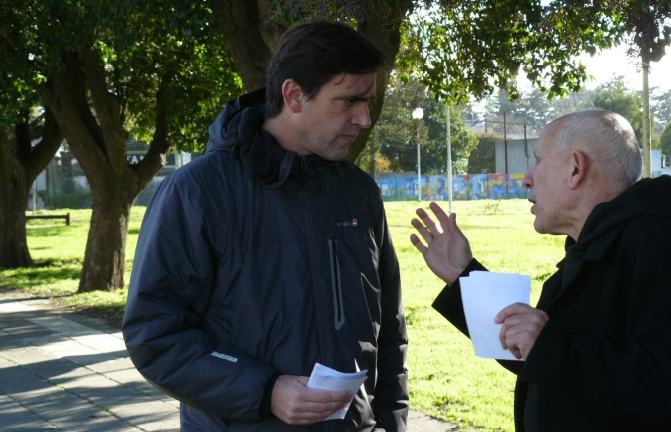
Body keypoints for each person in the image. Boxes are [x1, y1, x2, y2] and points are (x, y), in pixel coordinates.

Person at [122, 21, 408, 432]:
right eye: (349, 101)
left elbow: (390, 329)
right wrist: (265, 389)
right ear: (294, 95)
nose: (364, 119)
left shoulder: (360, 192)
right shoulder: (197, 192)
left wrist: (394, 423)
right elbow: (156, 334)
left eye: (369, 102)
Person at [410, 110, 671, 432]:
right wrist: (462, 275)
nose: (527, 178)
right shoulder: (598, 243)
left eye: (537, 159)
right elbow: (536, 353)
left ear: (575, 168)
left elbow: (660, 386)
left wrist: (551, 348)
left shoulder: (655, 241)